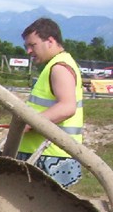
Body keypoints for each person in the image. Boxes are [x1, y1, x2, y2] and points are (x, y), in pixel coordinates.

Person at [16, 17, 83, 188]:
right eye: (26, 47)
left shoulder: (59, 67)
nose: (29, 51)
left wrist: (29, 124)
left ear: (50, 41)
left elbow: (67, 107)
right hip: (46, 152)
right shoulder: (56, 65)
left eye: (33, 45)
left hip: (50, 155)